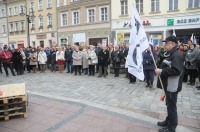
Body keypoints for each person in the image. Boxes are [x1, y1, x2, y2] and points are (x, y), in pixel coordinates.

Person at [155, 36, 184, 132]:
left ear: (173, 44)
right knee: (169, 105)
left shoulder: (177, 54)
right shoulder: (171, 53)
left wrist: (161, 71)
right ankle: (169, 120)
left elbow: (176, 70)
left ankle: (171, 127)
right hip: (169, 84)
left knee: (172, 106)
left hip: (173, 86)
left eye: (167, 43)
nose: (164, 45)